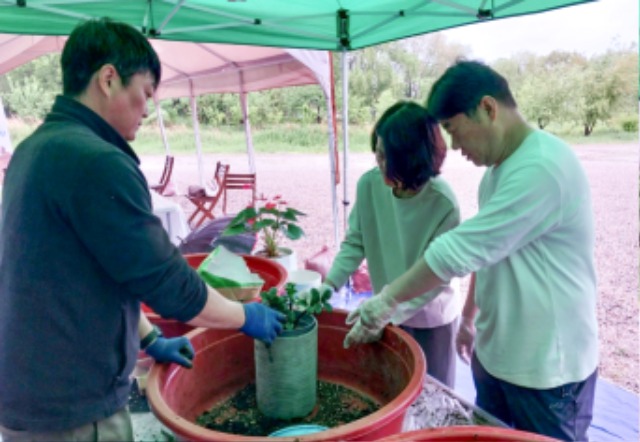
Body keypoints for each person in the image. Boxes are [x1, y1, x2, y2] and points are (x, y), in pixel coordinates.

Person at [0, 18, 284, 441]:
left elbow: (98, 271)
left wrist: (150, 340)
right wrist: (245, 315)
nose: (148, 108)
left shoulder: (34, 149)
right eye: (145, 93)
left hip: (31, 389)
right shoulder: (96, 161)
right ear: (109, 79)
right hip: (72, 409)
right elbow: (169, 286)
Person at [343, 61, 598, 442]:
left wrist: (386, 301)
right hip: (497, 357)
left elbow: (458, 251)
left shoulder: (542, 168)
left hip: (548, 371)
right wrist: (468, 318)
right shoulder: (498, 172)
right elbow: (488, 253)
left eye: (453, 129)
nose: (454, 146)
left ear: (488, 109)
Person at [328, 101, 461, 388]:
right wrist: (328, 286)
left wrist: (389, 309)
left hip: (430, 316)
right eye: (378, 157)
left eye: (392, 162)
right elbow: (355, 242)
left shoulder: (443, 203)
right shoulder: (369, 185)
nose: (383, 171)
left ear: (417, 161)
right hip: (384, 307)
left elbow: (439, 275)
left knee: (434, 393)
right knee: (391, 387)